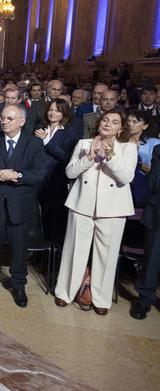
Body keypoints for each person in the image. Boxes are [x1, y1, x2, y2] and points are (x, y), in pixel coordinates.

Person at [54, 110, 137, 315]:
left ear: (121, 129)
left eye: (114, 122)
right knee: (74, 250)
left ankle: (101, 298)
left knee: (106, 256)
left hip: (113, 209)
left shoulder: (128, 148)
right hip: (82, 204)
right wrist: (89, 158)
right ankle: (65, 292)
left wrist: (110, 157)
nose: (108, 124)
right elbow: (70, 172)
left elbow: (126, 178)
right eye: (105, 120)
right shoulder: (83, 144)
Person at [0, 103, 47, 307]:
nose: (4, 122)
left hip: (20, 204)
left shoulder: (34, 144)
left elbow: (40, 172)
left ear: (22, 122)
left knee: (19, 248)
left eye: (9, 119)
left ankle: (18, 284)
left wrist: (18, 175)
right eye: (3, 118)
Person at [34, 99, 79, 240]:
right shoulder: (40, 126)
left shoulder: (70, 129)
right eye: (50, 110)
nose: (52, 113)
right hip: (37, 175)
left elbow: (65, 155)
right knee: (34, 212)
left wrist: (47, 140)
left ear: (64, 113)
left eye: (57, 110)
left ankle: (47, 248)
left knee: (49, 214)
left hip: (54, 177)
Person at [131, 144, 160, 319]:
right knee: (152, 261)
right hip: (158, 215)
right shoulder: (158, 150)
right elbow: (154, 182)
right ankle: (144, 299)